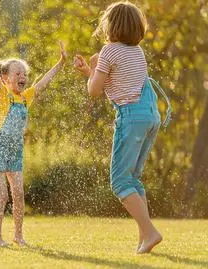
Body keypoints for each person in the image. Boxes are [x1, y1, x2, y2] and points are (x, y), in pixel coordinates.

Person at [73, 1, 165, 254]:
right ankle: (144, 238)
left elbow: (94, 91)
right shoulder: (137, 52)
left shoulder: (109, 52)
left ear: (110, 26)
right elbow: (115, 82)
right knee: (133, 179)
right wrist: (91, 70)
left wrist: (93, 68)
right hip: (150, 116)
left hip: (131, 117)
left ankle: (150, 232)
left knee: (119, 182)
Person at [0, 34, 66, 247]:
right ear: (7, 78)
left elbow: (44, 82)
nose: (23, 76)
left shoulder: (25, 97)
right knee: (2, 195)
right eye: (18, 73)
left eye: (24, 74)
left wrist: (61, 62)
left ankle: (18, 236)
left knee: (18, 194)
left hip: (15, 152)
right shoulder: (2, 94)